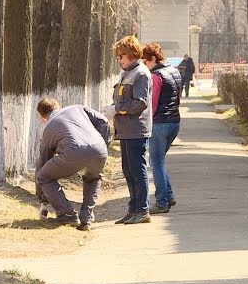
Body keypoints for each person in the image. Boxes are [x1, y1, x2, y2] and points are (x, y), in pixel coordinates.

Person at [35, 97, 111, 231]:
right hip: (100, 149)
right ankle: (86, 219)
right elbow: (104, 122)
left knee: (43, 177)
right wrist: (103, 145)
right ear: (59, 106)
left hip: (73, 152)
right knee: (92, 178)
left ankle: (67, 213)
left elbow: (43, 163)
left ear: (42, 117)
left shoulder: (48, 129)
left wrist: (43, 200)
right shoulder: (78, 108)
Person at [103, 35, 153, 225]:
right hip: (125, 130)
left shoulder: (141, 74)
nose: (119, 59)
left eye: (121, 55)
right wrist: (112, 108)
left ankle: (142, 209)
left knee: (138, 171)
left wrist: (116, 109)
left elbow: (139, 104)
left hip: (136, 130)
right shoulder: (127, 73)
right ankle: (133, 209)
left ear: (132, 55)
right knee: (128, 170)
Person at [142, 42, 183, 214]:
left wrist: (144, 123)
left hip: (159, 124)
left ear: (152, 59)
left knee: (156, 162)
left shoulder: (156, 76)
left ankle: (161, 202)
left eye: (145, 61)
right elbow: (178, 98)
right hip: (175, 122)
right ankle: (169, 196)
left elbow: (152, 104)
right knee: (160, 161)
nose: (144, 65)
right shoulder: (174, 71)